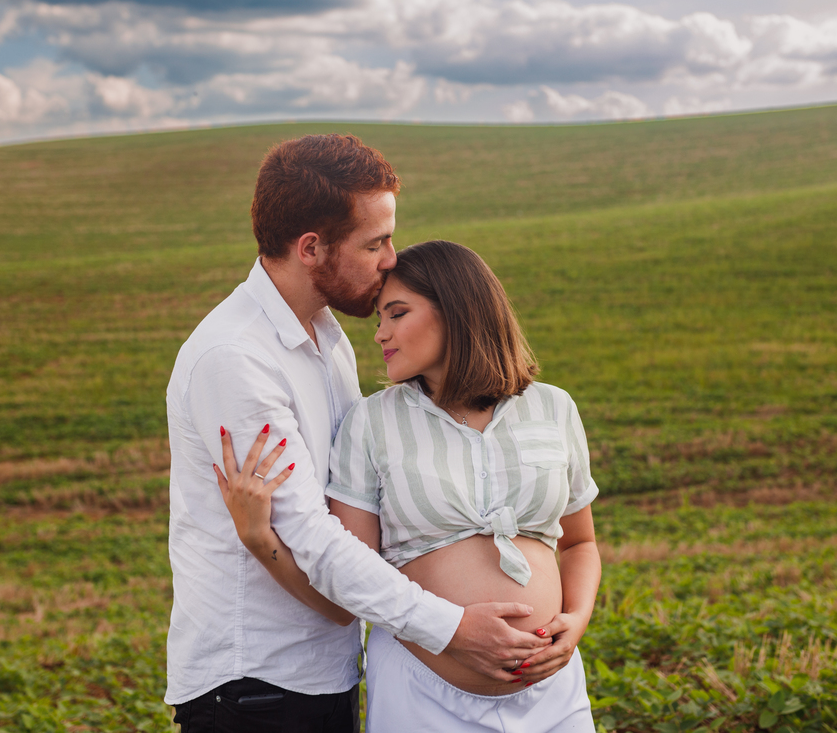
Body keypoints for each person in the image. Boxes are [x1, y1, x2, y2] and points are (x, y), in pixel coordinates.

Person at [165, 134, 550, 733]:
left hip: (326, 671)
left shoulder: (327, 336)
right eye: (375, 243)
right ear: (312, 248)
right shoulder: (235, 358)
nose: (391, 259)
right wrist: (451, 627)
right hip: (255, 688)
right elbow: (313, 538)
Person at [220, 239, 601, 732]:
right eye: (379, 318)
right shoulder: (370, 423)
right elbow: (344, 586)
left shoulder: (554, 407)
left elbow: (580, 542)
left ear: (458, 310)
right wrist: (259, 538)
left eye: (397, 314)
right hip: (423, 693)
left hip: (554, 692)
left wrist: (577, 621)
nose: (380, 334)